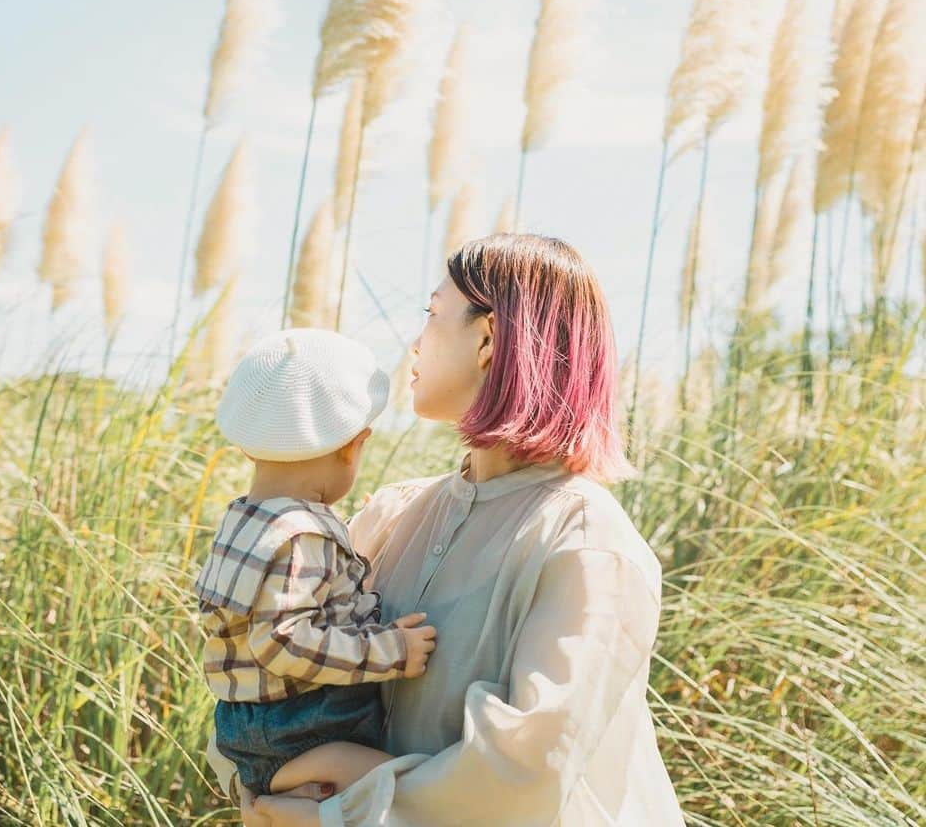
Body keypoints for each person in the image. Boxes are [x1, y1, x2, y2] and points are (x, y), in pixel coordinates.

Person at [208, 233, 685, 825]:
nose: (414, 343)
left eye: (433, 315)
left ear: (488, 340)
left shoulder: (587, 545)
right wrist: (258, 787)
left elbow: (525, 773)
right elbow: (271, 660)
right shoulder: (393, 513)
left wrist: (338, 811)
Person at [193, 327, 439, 822]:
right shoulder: (303, 534)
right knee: (412, 790)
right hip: (302, 731)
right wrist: (390, 651)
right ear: (352, 446)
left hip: (250, 727)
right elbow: (282, 639)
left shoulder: (243, 519)